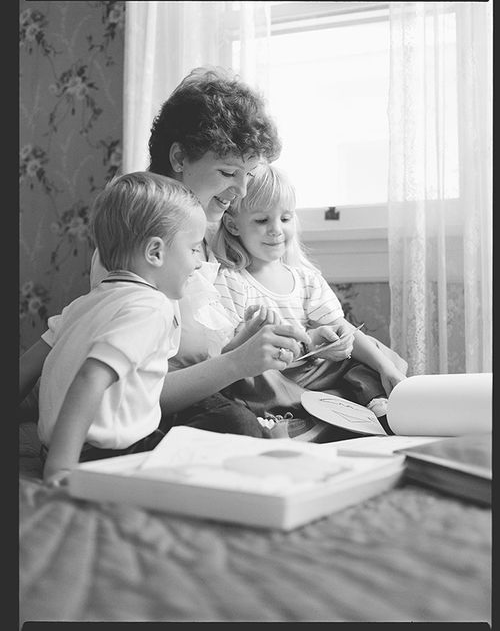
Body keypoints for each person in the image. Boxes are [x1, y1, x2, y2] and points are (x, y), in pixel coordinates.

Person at [19, 67, 311, 438]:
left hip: (186, 394)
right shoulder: (141, 250)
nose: (240, 191)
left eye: (248, 176)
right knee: (239, 425)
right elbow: (137, 393)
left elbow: (192, 360)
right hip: (139, 406)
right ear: (179, 158)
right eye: (227, 172)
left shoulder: (206, 229)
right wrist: (237, 363)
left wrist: (238, 349)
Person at [211, 163, 407, 434]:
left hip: (315, 369)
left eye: (285, 218)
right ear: (233, 225)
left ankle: (379, 402)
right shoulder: (232, 280)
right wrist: (262, 335)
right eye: (261, 220)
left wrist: (381, 365)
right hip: (275, 375)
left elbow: (341, 327)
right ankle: (295, 417)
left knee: (369, 348)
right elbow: (228, 353)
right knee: (255, 380)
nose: (276, 229)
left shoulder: (306, 279)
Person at [38, 172, 206, 485]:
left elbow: (24, 369)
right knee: (212, 446)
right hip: (103, 455)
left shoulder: (84, 304)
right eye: (194, 249)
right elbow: (91, 377)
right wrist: (61, 467)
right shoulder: (151, 307)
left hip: (57, 447)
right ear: (155, 252)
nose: (198, 263)